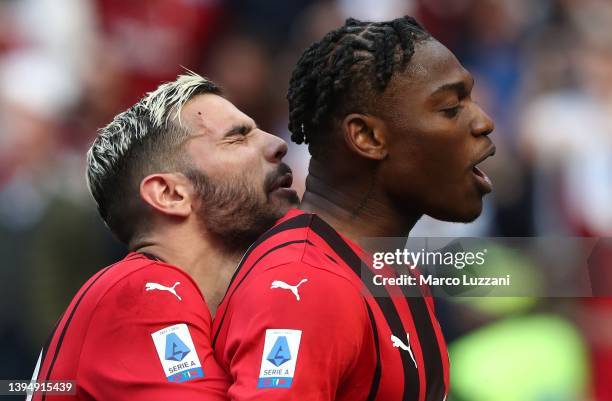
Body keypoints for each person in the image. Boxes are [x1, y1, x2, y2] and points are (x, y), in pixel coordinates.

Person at [212, 16, 495, 401]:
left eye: (470, 100)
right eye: (449, 108)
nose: (483, 122)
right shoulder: (304, 285)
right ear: (367, 137)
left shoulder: (394, 273)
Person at [28, 73, 299, 401]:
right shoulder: (142, 295)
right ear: (170, 193)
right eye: (238, 138)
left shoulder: (228, 306)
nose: (277, 143)